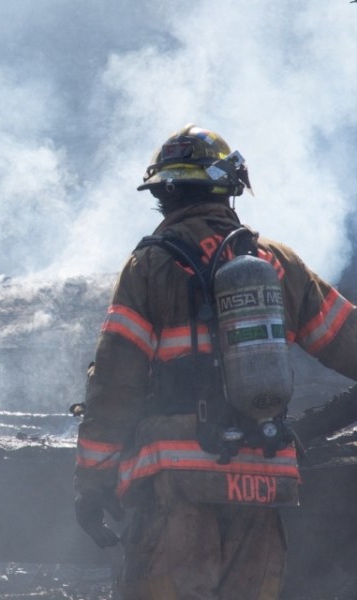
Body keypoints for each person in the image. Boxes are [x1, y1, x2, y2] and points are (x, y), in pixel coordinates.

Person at [73, 124, 357, 599]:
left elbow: (115, 386)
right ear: (229, 190)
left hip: (177, 486)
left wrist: (93, 481)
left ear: (165, 194)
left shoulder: (150, 266)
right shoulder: (277, 263)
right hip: (263, 485)